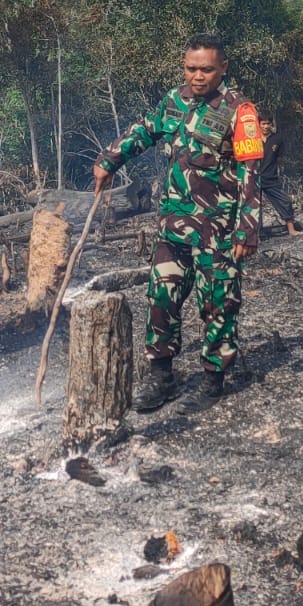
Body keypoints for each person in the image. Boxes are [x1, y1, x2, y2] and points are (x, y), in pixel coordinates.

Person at [93, 33, 263, 414]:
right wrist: (110, 159)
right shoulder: (174, 100)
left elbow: (251, 171)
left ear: (223, 69)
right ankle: (161, 377)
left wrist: (247, 227)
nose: (197, 76)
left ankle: (213, 380)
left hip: (216, 231)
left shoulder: (240, 111)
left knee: (217, 302)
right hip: (172, 225)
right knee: (161, 299)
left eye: (206, 69)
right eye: (190, 68)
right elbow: (145, 131)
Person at [257, 111, 301, 236]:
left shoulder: (277, 139)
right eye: (263, 123)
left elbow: (280, 159)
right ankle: (257, 234)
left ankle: (291, 230)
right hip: (253, 178)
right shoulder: (252, 138)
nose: (266, 126)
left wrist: (277, 170)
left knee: (285, 201)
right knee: (255, 207)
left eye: (268, 124)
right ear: (258, 124)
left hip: (270, 177)